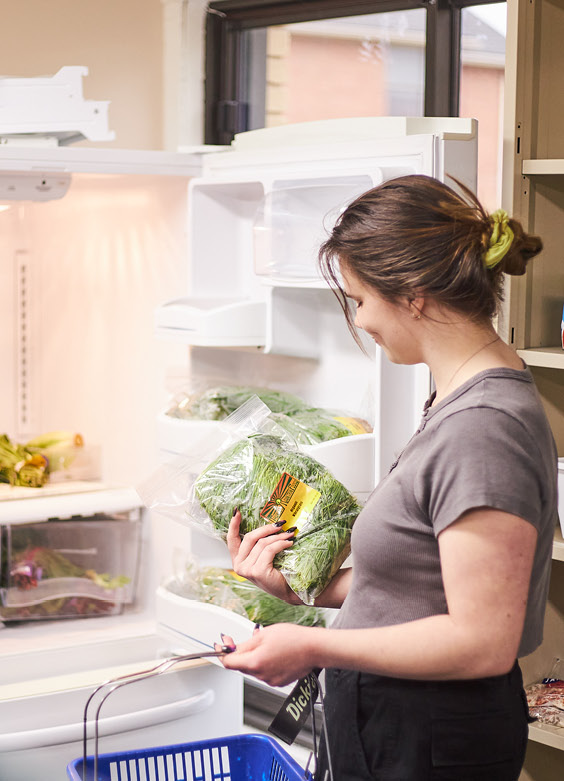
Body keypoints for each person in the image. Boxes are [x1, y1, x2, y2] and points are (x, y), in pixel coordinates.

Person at [220, 175, 553, 779]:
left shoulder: (484, 428)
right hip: (401, 719)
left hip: (427, 732)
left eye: (360, 299)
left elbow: (482, 640)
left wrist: (312, 644)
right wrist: (304, 589)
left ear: (414, 296)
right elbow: (422, 581)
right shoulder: (460, 396)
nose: (362, 321)